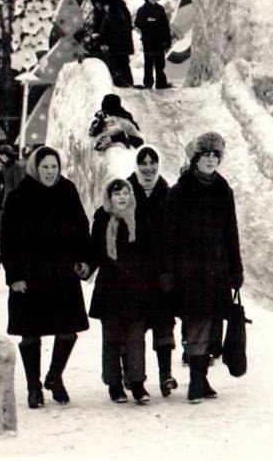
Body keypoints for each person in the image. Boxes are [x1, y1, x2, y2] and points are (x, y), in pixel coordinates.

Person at [0, 146, 91, 409]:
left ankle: (54, 377)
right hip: (30, 276)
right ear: (35, 168)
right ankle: (34, 387)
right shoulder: (19, 196)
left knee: (68, 332)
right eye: (45, 167)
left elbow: (81, 227)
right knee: (30, 335)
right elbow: (8, 240)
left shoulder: (68, 191)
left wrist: (84, 259)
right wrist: (14, 276)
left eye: (54, 167)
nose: (51, 172)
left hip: (62, 275)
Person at [161, 131, 244, 404]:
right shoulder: (180, 190)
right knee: (196, 322)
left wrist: (236, 269)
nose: (210, 160)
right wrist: (167, 271)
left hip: (217, 269)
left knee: (211, 325)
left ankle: (202, 378)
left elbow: (230, 231)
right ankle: (196, 382)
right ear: (195, 158)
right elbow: (169, 235)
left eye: (215, 155)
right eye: (206, 155)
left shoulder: (223, 189)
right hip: (189, 270)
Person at [89, 178, 154, 405]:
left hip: (136, 289)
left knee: (136, 338)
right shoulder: (101, 219)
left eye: (126, 193)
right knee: (112, 339)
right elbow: (94, 251)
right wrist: (85, 266)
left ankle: (137, 383)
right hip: (110, 289)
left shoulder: (140, 219)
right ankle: (114, 384)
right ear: (109, 198)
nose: (122, 198)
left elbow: (149, 252)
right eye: (117, 194)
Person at [127, 145, 178, 397]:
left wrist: (170, 270)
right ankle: (136, 381)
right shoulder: (125, 189)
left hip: (160, 273)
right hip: (134, 273)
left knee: (163, 324)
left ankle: (165, 375)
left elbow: (174, 235)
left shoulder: (166, 193)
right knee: (135, 327)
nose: (148, 167)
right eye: (143, 162)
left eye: (152, 162)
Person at [134, 0, 173, 90]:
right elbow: (137, 23)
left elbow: (165, 26)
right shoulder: (142, 10)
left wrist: (168, 40)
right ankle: (148, 83)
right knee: (149, 63)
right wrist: (148, 22)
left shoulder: (160, 9)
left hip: (160, 40)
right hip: (148, 41)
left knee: (160, 63)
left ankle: (161, 83)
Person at [98, 0, 135, 87]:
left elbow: (117, 26)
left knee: (120, 62)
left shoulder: (117, 8)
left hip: (118, 41)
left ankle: (124, 82)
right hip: (119, 41)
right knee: (120, 62)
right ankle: (124, 81)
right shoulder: (117, 7)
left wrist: (106, 40)